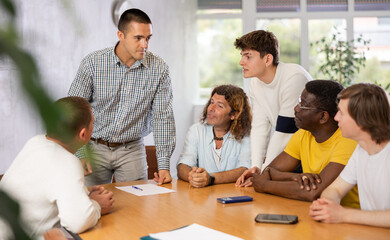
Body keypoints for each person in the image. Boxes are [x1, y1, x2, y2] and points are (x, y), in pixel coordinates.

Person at [68, 8, 175, 186]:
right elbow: (73, 109)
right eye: (138, 38)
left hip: (132, 149)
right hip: (93, 147)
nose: (145, 45)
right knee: (90, 203)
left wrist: (164, 165)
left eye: (148, 38)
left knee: (135, 207)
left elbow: (163, 117)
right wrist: (79, 153)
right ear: (121, 35)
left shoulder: (159, 69)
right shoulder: (93, 63)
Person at [0, 96, 114, 239]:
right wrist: (97, 205)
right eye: (92, 123)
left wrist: (85, 199)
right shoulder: (67, 162)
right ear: (83, 134)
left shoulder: (35, 142)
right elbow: (77, 222)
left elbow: (50, 187)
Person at [251, 80, 359, 208]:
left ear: (323, 116)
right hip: (315, 213)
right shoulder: (303, 135)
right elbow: (268, 171)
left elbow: (313, 192)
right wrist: (295, 177)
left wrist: (264, 185)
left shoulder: (348, 140)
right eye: (299, 101)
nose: (296, 108)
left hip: (351, 218)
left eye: (303, 105)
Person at [234, 30, 312, 187]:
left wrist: (264, 171)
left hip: (310, 151)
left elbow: (285, 131)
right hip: (290, 151)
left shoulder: (293, 77)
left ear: (267, 59)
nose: (241, 62)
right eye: (242, 56)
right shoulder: (256, 83)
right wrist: (256, 167)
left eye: (248, 56)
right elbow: (260, 127)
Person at [310, 83, 390, 228]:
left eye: (341, 112)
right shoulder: (361, 150)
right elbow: (335, 189)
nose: (335, 118)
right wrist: (326, 205)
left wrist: (343, 215)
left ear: (362, 119)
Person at [177, 85, 251, 188]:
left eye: (219, 106)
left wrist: (210, 178)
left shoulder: (247, 135)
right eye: (211, 102)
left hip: (234, 197)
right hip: (202, 198)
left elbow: (246, 169)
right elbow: (183, 165)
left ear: (234, 114)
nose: (211, 108)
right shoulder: (196, 130)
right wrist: (193, 176)